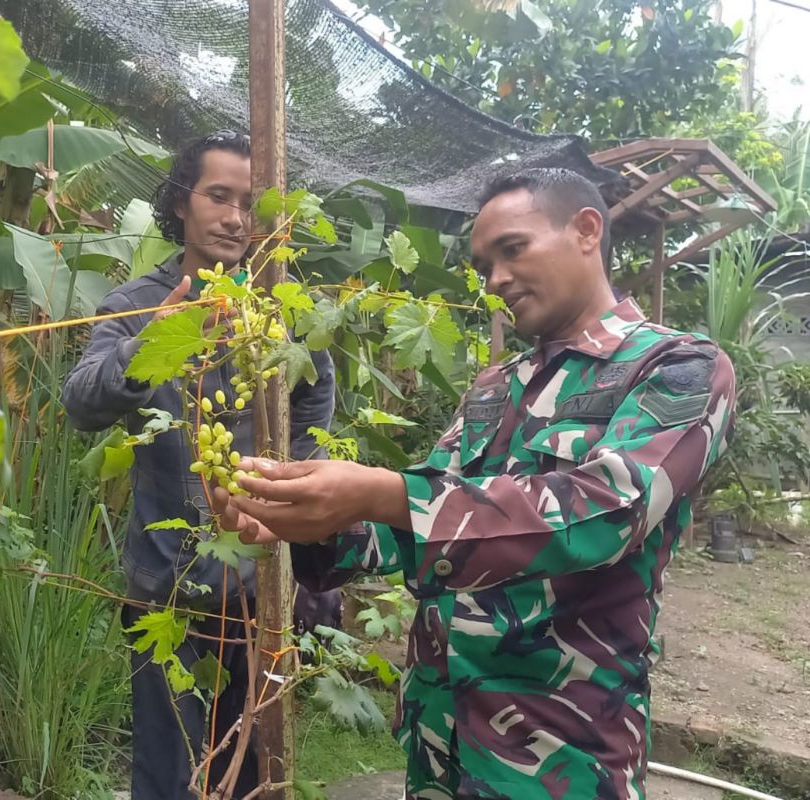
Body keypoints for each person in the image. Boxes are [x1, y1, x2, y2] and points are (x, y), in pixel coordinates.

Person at [212, 168, 737, 800]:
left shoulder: (677, 367)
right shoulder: (495, 387)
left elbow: (604, 514)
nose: (497, 281)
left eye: (512, 249)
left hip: (559, 754)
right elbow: (418, 525)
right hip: (441, 738)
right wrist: (308, 520)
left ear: (586, 230)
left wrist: (382, 492)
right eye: (486, 265)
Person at [60, 130, 338, 799]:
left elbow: (315, 386)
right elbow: (81, 403)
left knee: (255, 768)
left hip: (263, 586)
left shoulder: (279, 306)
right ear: (182, 201)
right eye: (219, 195)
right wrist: (158, 337)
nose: (235, 216)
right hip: (168, 590)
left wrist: (296, 473)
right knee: (168, 775)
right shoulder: (132, 307)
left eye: (248, 202)